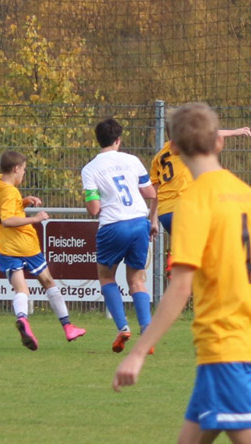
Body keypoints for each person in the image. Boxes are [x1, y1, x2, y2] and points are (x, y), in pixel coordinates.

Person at [112, 102, 251, 444]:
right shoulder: (249, 196)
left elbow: (181, 286)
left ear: (173, 149)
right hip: (249, 339)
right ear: (219, 142)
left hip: (223, 343)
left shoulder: (195, 201)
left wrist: (140, 351)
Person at [0, 150, 85, 350]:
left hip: (5, 247)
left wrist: (23, 202)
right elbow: (7, 220)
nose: (24, 173)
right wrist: (35, 218)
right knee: (48, 282)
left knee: (22, 289)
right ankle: (67, 326)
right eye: (23, 169)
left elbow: (5, 208)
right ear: (15, 169)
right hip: (24, 244)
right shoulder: (10, 191)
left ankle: (23, 319)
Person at [81, 118, 158, 353]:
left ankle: (123, 327)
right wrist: (152, 221)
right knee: (137, 280)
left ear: (98, 140)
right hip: (138, 222)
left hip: (113, 226)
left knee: (106, 278)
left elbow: (94, 209)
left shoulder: (90, 168)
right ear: (118, 140)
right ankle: (147, 330)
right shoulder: (132, 160)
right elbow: (151, 193)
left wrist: (91, 200)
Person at [151, 123, 251, 235]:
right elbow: (209, 135)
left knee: (186, 248)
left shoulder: (158, 157)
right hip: (184, 210)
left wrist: (153, 221)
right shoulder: (185, 146)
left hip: (165, 214)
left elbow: (154, 193)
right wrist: (234, 132)